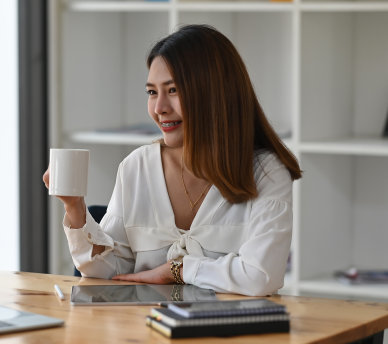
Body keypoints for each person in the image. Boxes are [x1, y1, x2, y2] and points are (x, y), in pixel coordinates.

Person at [43, 24, 302, 296]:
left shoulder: (266, 172)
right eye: (152, 92)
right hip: (146, 333)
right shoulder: (136, 167)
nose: (159, 109)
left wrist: (176, 270)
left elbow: (260, 276)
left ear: (216, 94)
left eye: (174, 90)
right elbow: (111, 271)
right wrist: (75, 207)